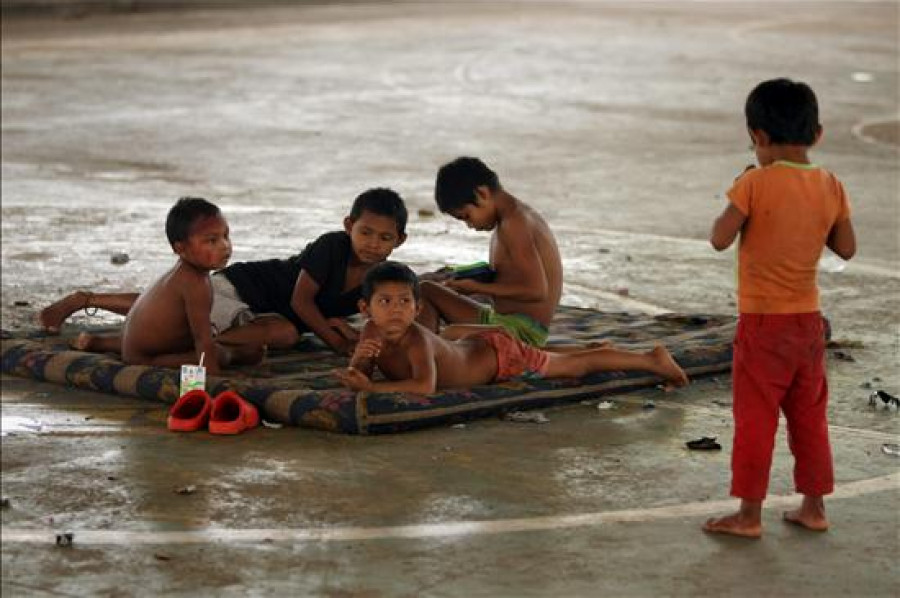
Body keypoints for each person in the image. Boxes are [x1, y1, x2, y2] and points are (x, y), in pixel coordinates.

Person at [702, 79, 856, 539]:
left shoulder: (754, 182)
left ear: (759, 137)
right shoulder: (830, 184)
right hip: (808, 323)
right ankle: (814, 507)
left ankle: (749, 516)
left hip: (763, 324)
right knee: (809, 416)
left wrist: (739, 192)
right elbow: (846, 247)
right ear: (818, 133)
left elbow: (718, 238)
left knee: (756, 420)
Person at [39, 188, 408, 356]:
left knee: (282, 335)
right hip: (242, 289)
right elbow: (302, 300)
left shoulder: (381, 278)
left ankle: (107, 343)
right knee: (177, 312)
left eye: (385, 238)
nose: (373, 244)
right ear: (348, 226)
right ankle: (85, 300)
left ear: (399, 240)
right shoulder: (332, 246)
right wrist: (336, 342)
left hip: (266, 316)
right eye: (366, 233)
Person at [333, 262, 688, 395]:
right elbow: (359, 374)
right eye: (384, 302)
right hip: (466, 342)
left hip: (498, 356)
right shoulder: (370, 333)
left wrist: (373, 389)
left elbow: (424, 387)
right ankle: (596, 347)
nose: (395, 311)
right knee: (550, 356)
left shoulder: (417, 339)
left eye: (404, 302)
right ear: (365, 310)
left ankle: (650, 359)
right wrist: (359, 366)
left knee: (571, 366)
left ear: (418, 307)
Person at [417, 157, 562, 347]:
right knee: (425, 288)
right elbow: (508, 272)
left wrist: (477, 288)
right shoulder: (509, 219)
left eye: (467, 217)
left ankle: (425, 354)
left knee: (450, 335)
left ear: (482, 193)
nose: (469, 226)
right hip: (500, 320)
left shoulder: (515, 224)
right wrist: (459, 275)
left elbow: (536, 291)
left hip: (523, 332)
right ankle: (423, 350)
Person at [119, 197, 261, 374]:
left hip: (147, 346)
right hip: (144, 359)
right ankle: (235, 355)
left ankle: (236, 353)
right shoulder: (194, 284)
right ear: (180, 249)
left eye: (226, 236)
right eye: (211, 241)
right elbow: (202, 340)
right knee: (217, 353)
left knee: (227, 345)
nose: (225, 246)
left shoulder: (188, 272)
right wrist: (214, 383)